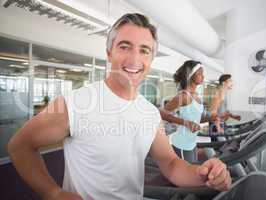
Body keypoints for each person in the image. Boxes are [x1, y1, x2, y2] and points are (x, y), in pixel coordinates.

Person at [7, 13, 231, 200]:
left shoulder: (150, 113)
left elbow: (171, 164)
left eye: (144, 50)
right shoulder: (75, 103)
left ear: (151, 59)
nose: (134, 59)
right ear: (109, 53)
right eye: (125, 47)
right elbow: (20, 146)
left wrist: (203, 173)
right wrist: (53, 193)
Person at [160, 60, 211, 162]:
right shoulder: (184, 96)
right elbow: (161, 113)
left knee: (194, 170)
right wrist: (185, 123)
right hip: (181, 144)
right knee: (186, 175)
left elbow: (195, 119)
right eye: (199, 73)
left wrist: (212, 118)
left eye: (202, 74)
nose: (203, 76)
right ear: (190, 75)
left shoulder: (196, 95)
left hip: (192, 142)